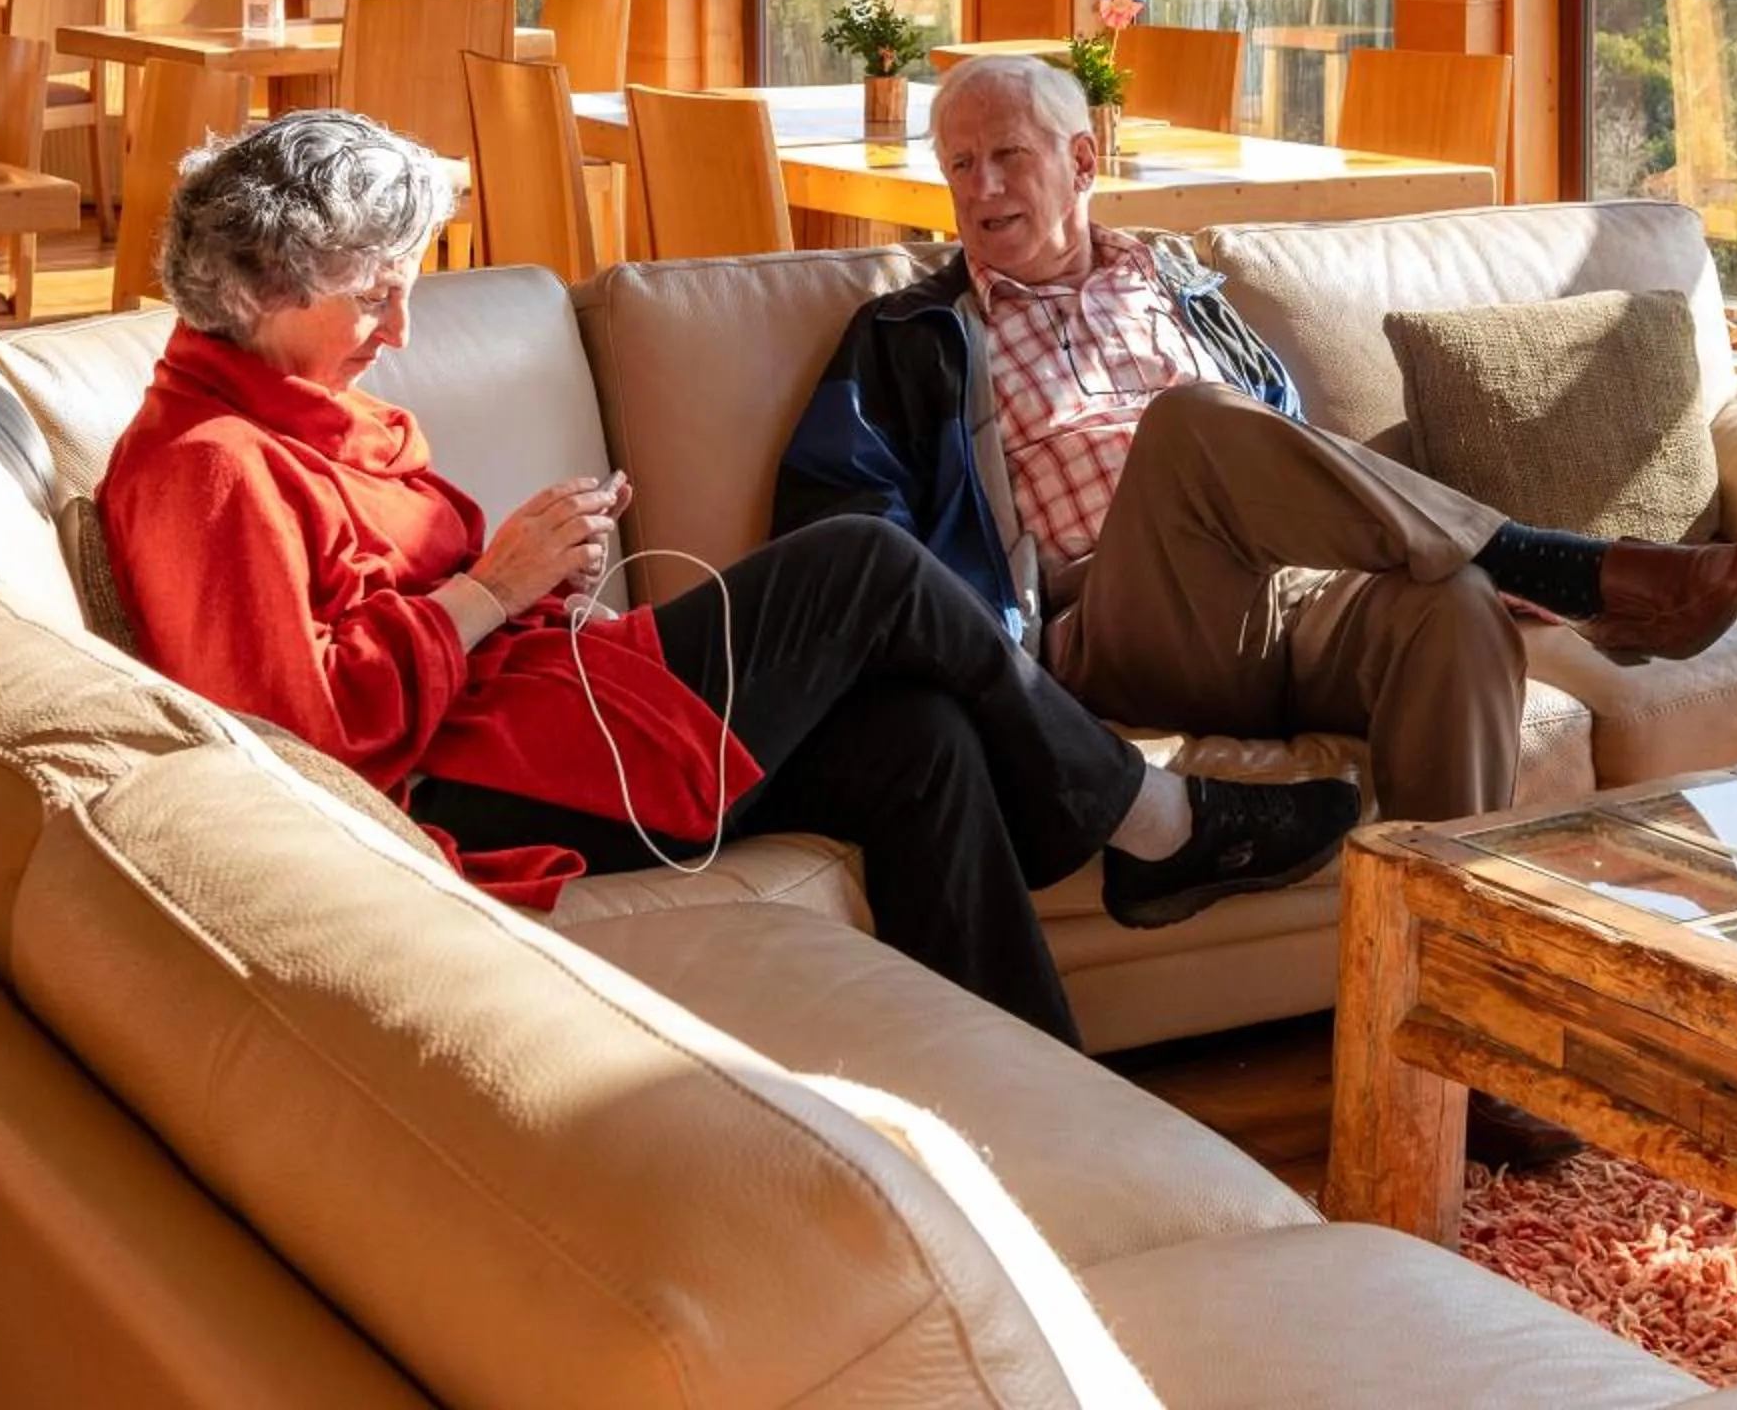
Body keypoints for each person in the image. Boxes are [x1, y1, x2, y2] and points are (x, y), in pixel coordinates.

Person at [97, 111, 1358, 1048]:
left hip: (531, 712)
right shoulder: (209, 467)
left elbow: (406, 612)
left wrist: (534, 580)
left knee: (918, 736)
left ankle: (1040, 1088)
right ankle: (1151, 817)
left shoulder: (306, 403)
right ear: (264, 287)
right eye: (375, 295)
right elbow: (298, 740)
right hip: (478, 786)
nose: (402, 330)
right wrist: (491, 588)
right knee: (862, 560)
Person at [774, 55, 1737, 1158]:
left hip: (1284, 598)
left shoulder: (1184, 286)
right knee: (1192, 420)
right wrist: (981, 649)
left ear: (1083, 160)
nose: (980, 185)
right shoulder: (909, 333)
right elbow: (841, 535)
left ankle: (1455, 1037)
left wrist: (1400, 554)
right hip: (1108, 615)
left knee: (1459, 610)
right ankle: (1571, 569)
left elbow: (1294, 455)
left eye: (1007, 153)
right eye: (959, 163)